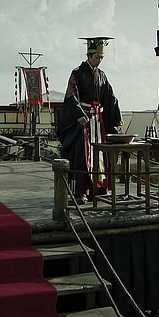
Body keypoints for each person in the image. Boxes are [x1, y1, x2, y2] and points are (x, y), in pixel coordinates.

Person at [56, 37, 122, 204]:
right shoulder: (77, 72)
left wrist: (117, 118)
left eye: (102, 57)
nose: (99, 60)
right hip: (83, 122)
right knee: (81, 156)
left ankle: (99, 189)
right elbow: (71, 95)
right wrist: (80, 115)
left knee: (101, 154)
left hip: (98, 122)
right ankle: (80, 191)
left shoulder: (102, 75)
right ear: (89, 55)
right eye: (97, 57)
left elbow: (110, 97)